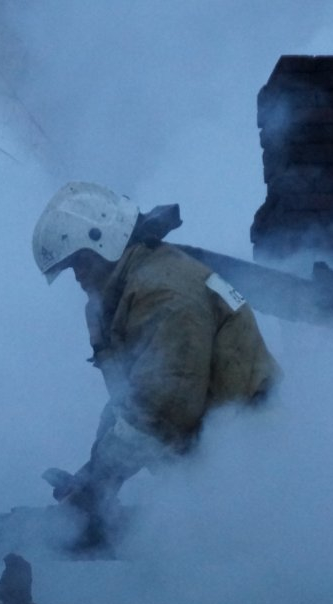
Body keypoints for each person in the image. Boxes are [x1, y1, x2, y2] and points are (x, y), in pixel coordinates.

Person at [31, 181, 280, 542]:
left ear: (108, 240)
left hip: (251, 464)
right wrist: (92, 474)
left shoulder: (164, 293)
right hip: (223, 463)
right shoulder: (133, 288)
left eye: (82, 262)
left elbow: (164, 403)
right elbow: (129, 401)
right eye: (71, 269)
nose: (79, 277)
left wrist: (99, 483)